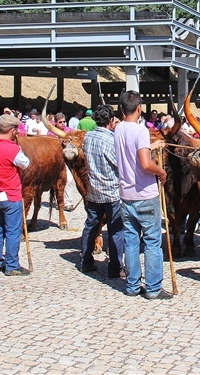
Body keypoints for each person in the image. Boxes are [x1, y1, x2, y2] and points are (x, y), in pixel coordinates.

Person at [114, 91, 172, 299]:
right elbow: (146, 164)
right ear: (139, 108)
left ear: (121, 109)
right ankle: (154, 288)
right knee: (152, 241)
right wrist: (162, 172)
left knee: (131, 240)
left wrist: (152, 146)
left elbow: (133, 151)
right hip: (145, 193)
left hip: (125, 193)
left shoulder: (118, 128)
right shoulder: (141, 131)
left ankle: (132, 285)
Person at [78, 105, 125, 279]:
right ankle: (115, 267)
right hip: (111, 191)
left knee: (91, 225)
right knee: (116, 230)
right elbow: (119, 164)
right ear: (111, 121)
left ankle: (85, 261)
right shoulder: (111, 140)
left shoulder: (88, 137)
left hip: (93, 190)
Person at [0, 114, 31, 276]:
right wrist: (18, 148)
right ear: (12, 131)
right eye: (16, 130)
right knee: (13, 230)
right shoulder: (12, 149)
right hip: (11, 195)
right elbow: (25, 163)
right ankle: (12, 265)